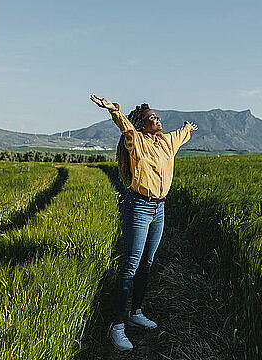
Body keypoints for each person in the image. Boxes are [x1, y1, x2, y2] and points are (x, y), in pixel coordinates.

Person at [90, 94, 198, 351]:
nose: (157, 119)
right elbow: (126, 126)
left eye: (157, 116)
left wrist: (187, 128)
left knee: (147, 263)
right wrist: (114, 111)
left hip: (159, 208)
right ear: (142, 125)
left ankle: (135, 312)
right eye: (152, 118)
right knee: (130, 265)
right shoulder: (135, 141)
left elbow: (180, 135)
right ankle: (117, 326)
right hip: (138, 207)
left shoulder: (165, 142)